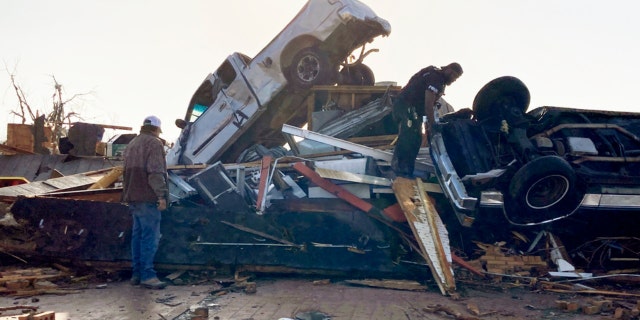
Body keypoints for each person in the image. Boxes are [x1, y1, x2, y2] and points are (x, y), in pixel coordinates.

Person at [391, 62, 463, 178]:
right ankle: (400, 170)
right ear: (449, 70)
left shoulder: (434, 74)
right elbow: (428, 104)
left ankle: (405, 170)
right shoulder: (436, 79)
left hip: (410, 108)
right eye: (454, 76)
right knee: (410, 137)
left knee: (415, 138)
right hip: (407, 107)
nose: (454, 80)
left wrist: (427, 123)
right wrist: (432, 124)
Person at [122, 115, 169, 289]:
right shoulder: (154, 143)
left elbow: (125, 173)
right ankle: (148, 276)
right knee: (150, 237)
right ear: (156, 129)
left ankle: (137, 274)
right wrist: (161, 196)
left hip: (133, 197)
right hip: (148, 197)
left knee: (138, 237)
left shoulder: (132, 144)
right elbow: (155, 172)